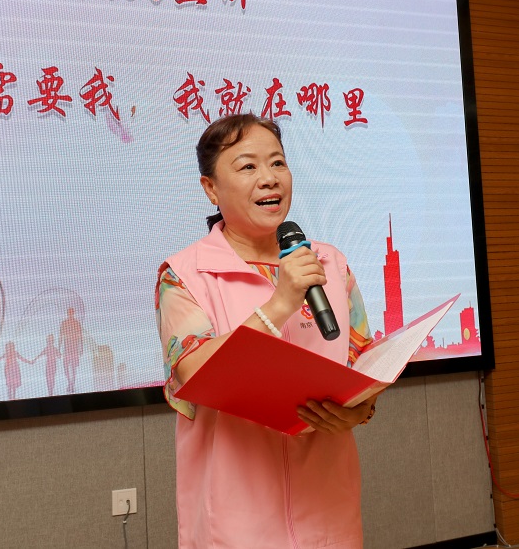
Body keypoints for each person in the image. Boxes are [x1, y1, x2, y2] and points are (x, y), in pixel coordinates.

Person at [156, 114, 378, 548]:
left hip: (329, 511)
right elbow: (195, 373)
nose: (269, 178)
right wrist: (279, 304)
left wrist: (362, 411)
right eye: (248, 166)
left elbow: (364, 363)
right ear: (211, 189)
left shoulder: (329, 264)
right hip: (236, 524)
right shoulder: (184, 275)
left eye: (278, 163)